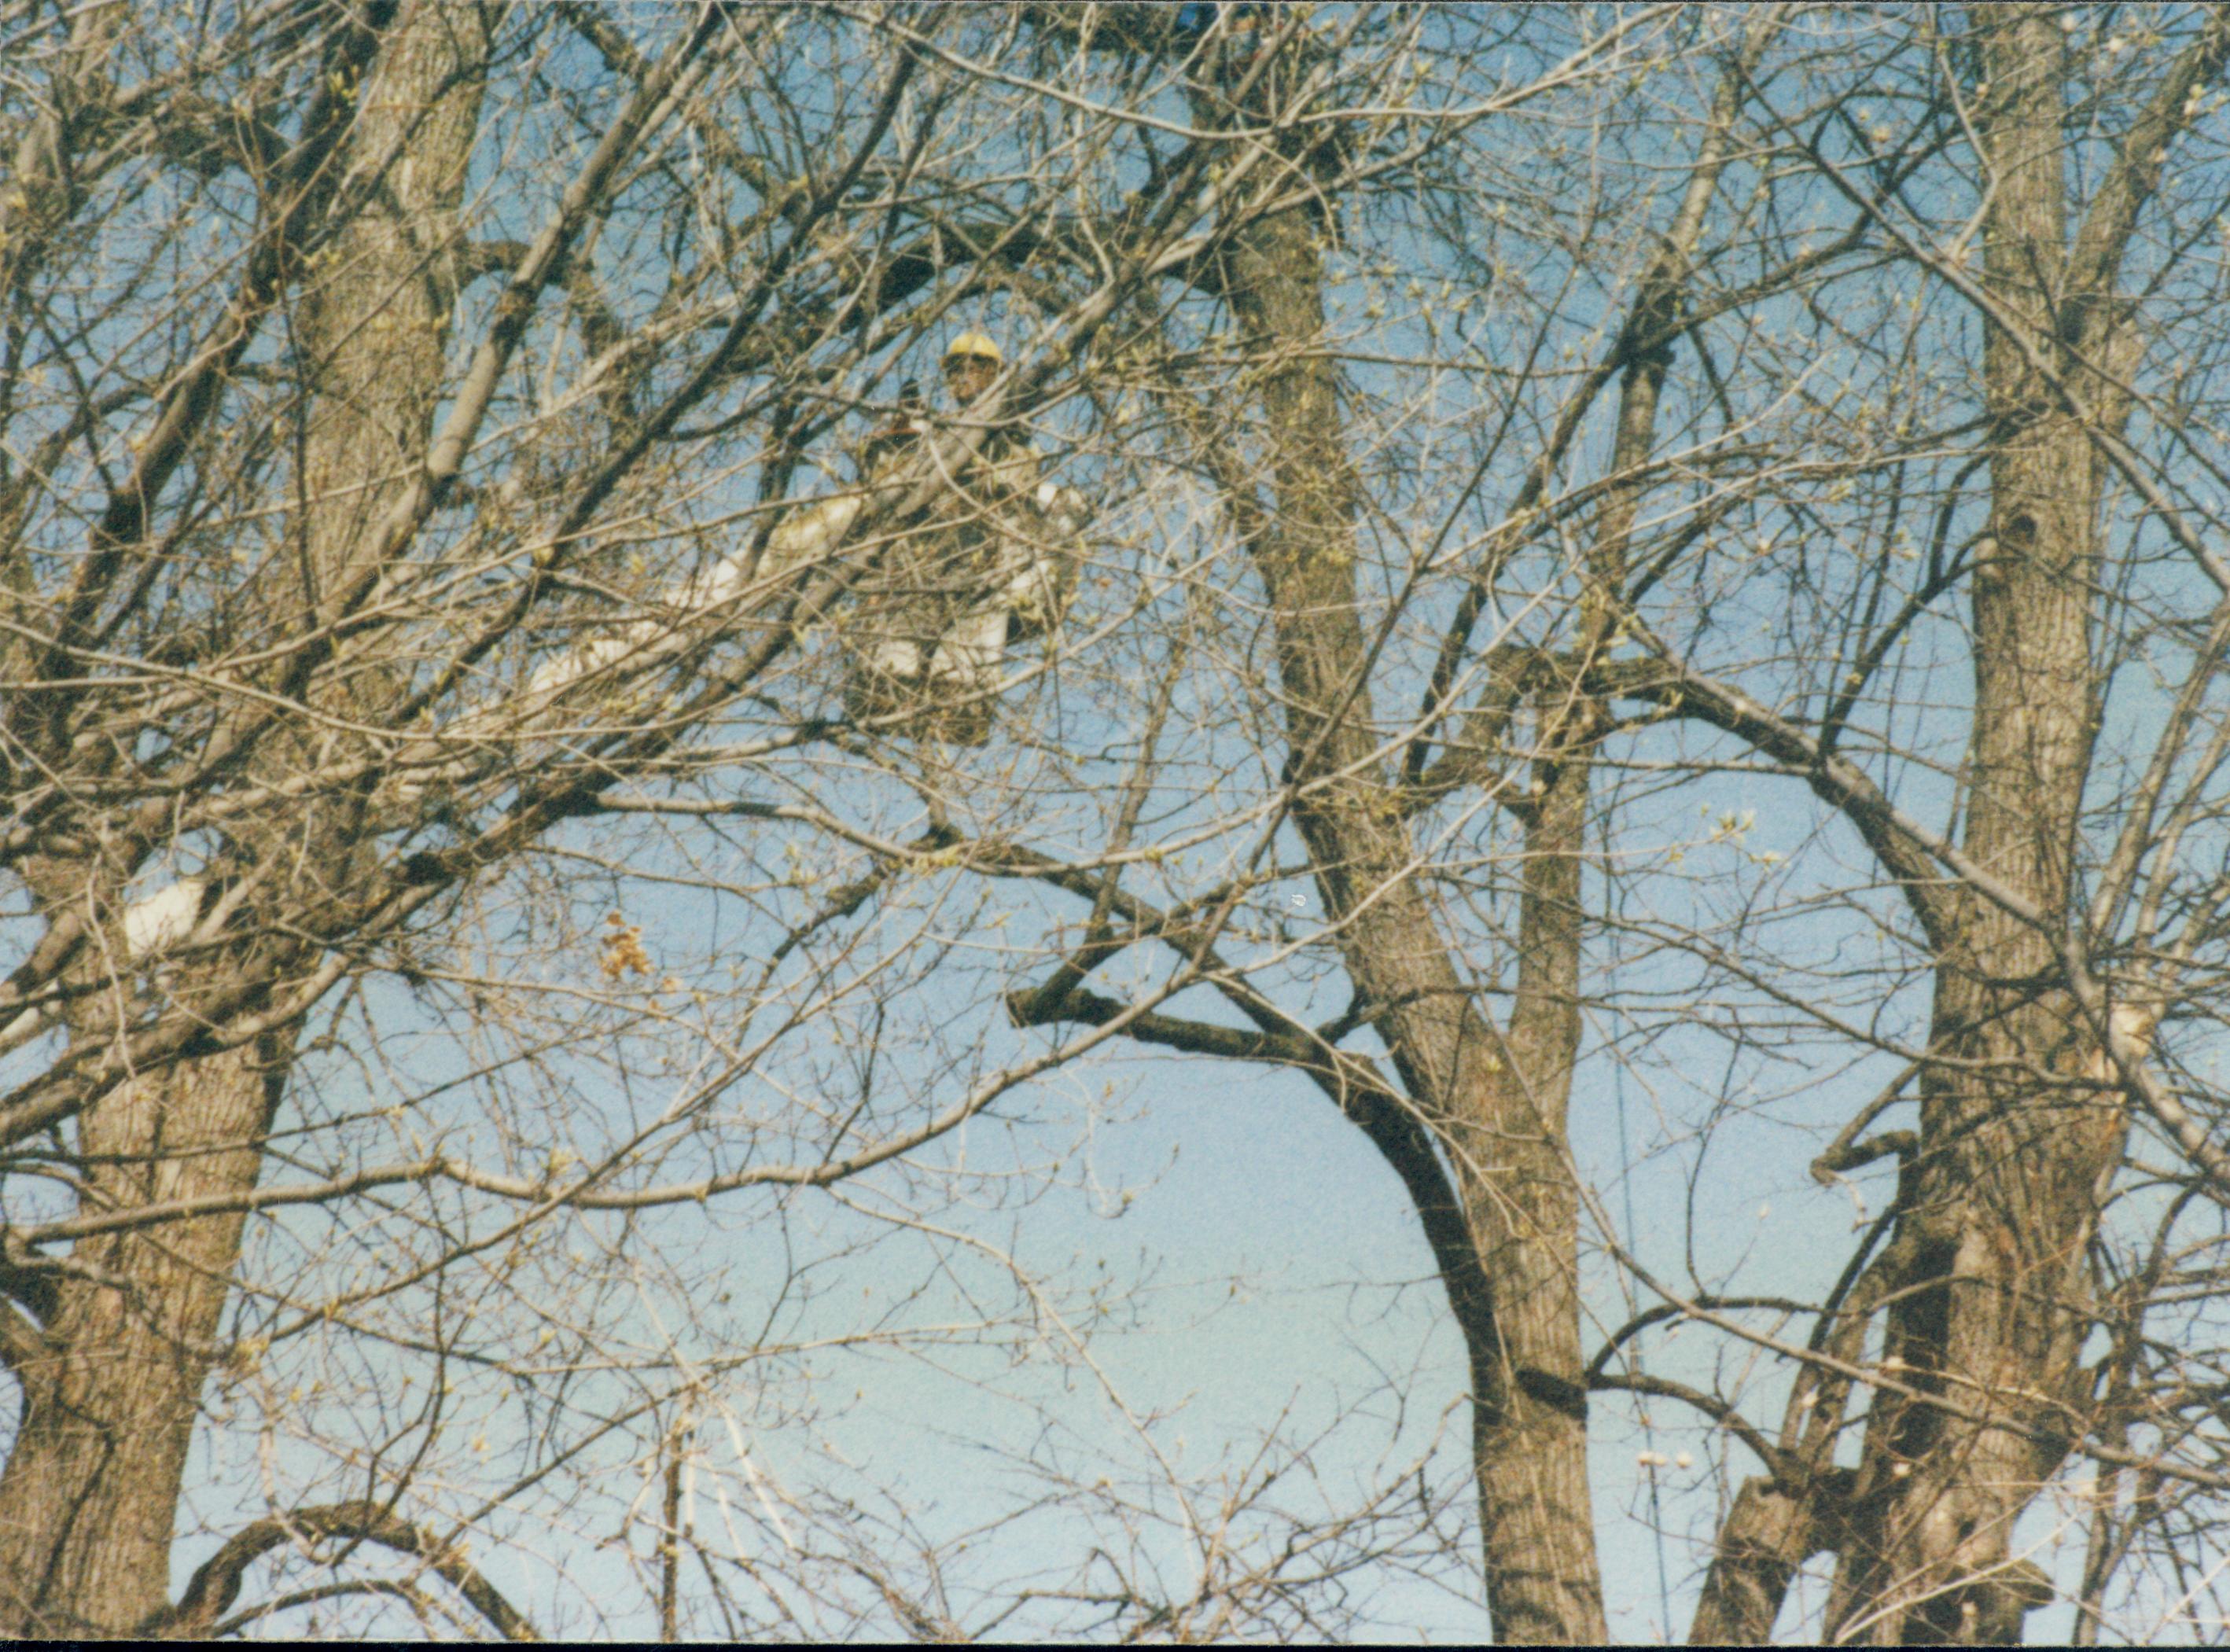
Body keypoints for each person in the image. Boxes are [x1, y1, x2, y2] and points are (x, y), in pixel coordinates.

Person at [842, 333, 1087, 745]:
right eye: (956, 369)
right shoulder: (930, 433)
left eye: (976, 368)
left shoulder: (1013, 439)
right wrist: (901, 439)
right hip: (926, 558)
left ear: (995, 374)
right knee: (897, 642)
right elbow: (885, 488)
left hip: (985, 556)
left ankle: (959, 701)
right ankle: (889, 689)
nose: (964, 376)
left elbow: (1016, 491)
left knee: (972, 638)